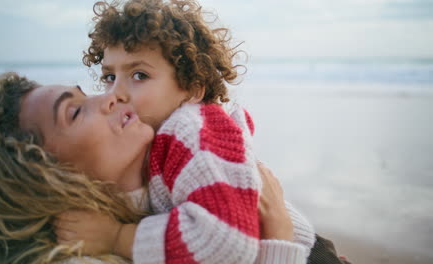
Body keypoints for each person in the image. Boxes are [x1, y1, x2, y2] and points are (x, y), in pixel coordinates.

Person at [51, 0, 315, 263]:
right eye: (110, 77)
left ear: (193, 90)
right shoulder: (156, 142)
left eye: (139, 75)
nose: (115, 93)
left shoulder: (191, 126)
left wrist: (117, 236)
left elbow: (224, 240)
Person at [0, 72, 310, 264]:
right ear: (39, 176)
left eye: (85, 94)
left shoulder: (168, 177)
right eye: (74, 112)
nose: (111, 95)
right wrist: (279, 237)